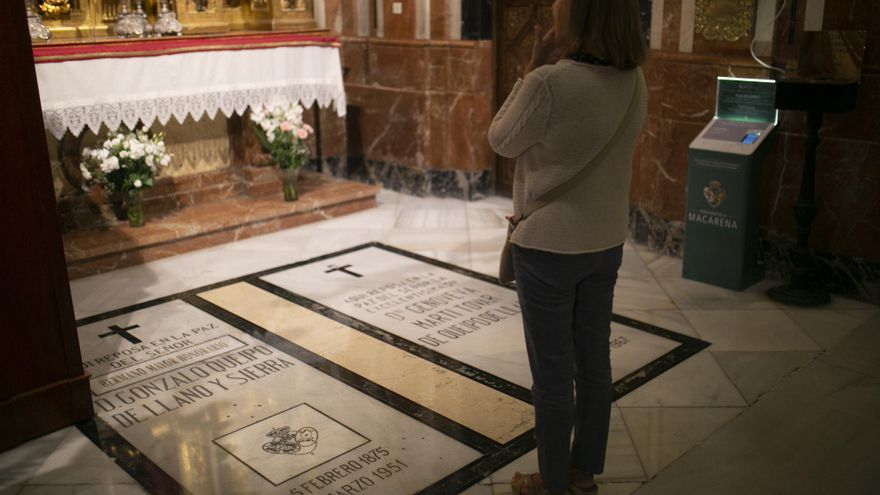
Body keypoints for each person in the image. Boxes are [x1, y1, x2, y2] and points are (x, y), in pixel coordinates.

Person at [487, 1, 647, 494]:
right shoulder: (634, 81)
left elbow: (500, 140)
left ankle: (552, 482)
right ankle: (582, 473)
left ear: (579, 18)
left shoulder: (549, 83)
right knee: (594, 364)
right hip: (604, 241)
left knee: (553, 375)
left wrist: (531, 69)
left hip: (549, 247)